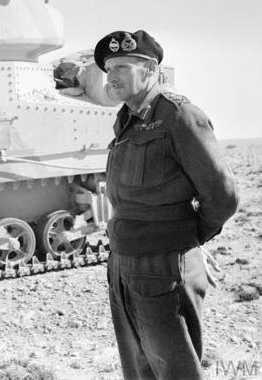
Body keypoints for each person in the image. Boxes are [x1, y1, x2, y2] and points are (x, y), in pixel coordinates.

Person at [93, 30, 239, 380]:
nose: (111, 75)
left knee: (175, 372)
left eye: (122, 66)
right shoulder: (127, 118)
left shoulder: (179, 116)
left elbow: (223, 196)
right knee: (139, 368)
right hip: (124, 264)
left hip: (162, 268)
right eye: (108, 68)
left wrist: (187, 239)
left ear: (150, 70)